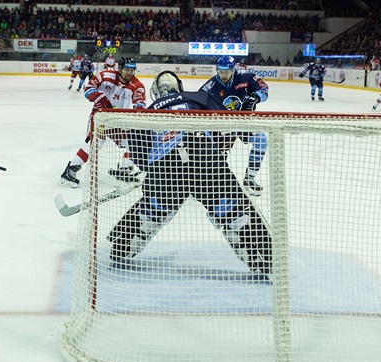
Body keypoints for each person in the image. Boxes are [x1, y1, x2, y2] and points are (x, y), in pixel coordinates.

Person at [107, 71, 273, 276]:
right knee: (232, 208)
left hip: (165, 166)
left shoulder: (147, 111)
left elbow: (139, 152)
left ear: (156, 91)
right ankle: (266, 258)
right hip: (203, 155)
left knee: (153, 207)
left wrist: (151, 176)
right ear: (179, 86)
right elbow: (226, 123)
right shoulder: (198, 96)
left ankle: (120, 249)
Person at [60, 57, 147, 188]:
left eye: (132, 70)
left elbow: (140, 104)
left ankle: (124, 169)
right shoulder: (106, 76)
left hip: (118, 120)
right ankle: (70, 169)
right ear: (119, 69)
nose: (130, 73)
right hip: (100, 118)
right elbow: (89, 88)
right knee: (94, 145)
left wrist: (138, 112)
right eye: (126, 70)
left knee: (132, 142)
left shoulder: (137, 85)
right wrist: (103, 101)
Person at [199, 56, 269, 196]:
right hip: (218, 125)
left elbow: (264, 89)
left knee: (261, 140)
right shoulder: (209, 86)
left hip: (241, 122)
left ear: (233, 70)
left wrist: (255, 98)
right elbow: (198, 105)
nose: (223, 75)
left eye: (226, 72)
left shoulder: (246, 77)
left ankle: (249, 178)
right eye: (221, 72)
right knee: (214, 154)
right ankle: (205, 181)